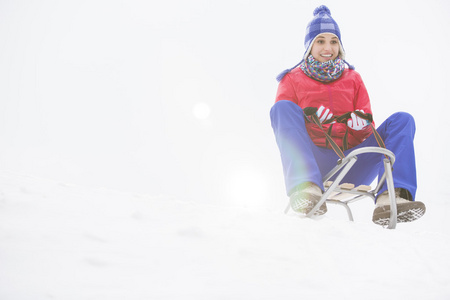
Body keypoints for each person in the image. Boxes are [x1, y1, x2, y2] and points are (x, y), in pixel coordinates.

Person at [270, 5, 426, 226]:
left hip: (352, 163)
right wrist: (311, 122)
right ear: (310, 45)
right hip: (314, 162)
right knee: (282, 108)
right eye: (320, 41)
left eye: (334, 41)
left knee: (403, 119)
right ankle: (306, 188)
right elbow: (286, 124)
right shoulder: (292, 79)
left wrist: (359, 126)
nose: (328, 47)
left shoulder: (353, 78)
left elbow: (366, 121)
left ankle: (390, 198)